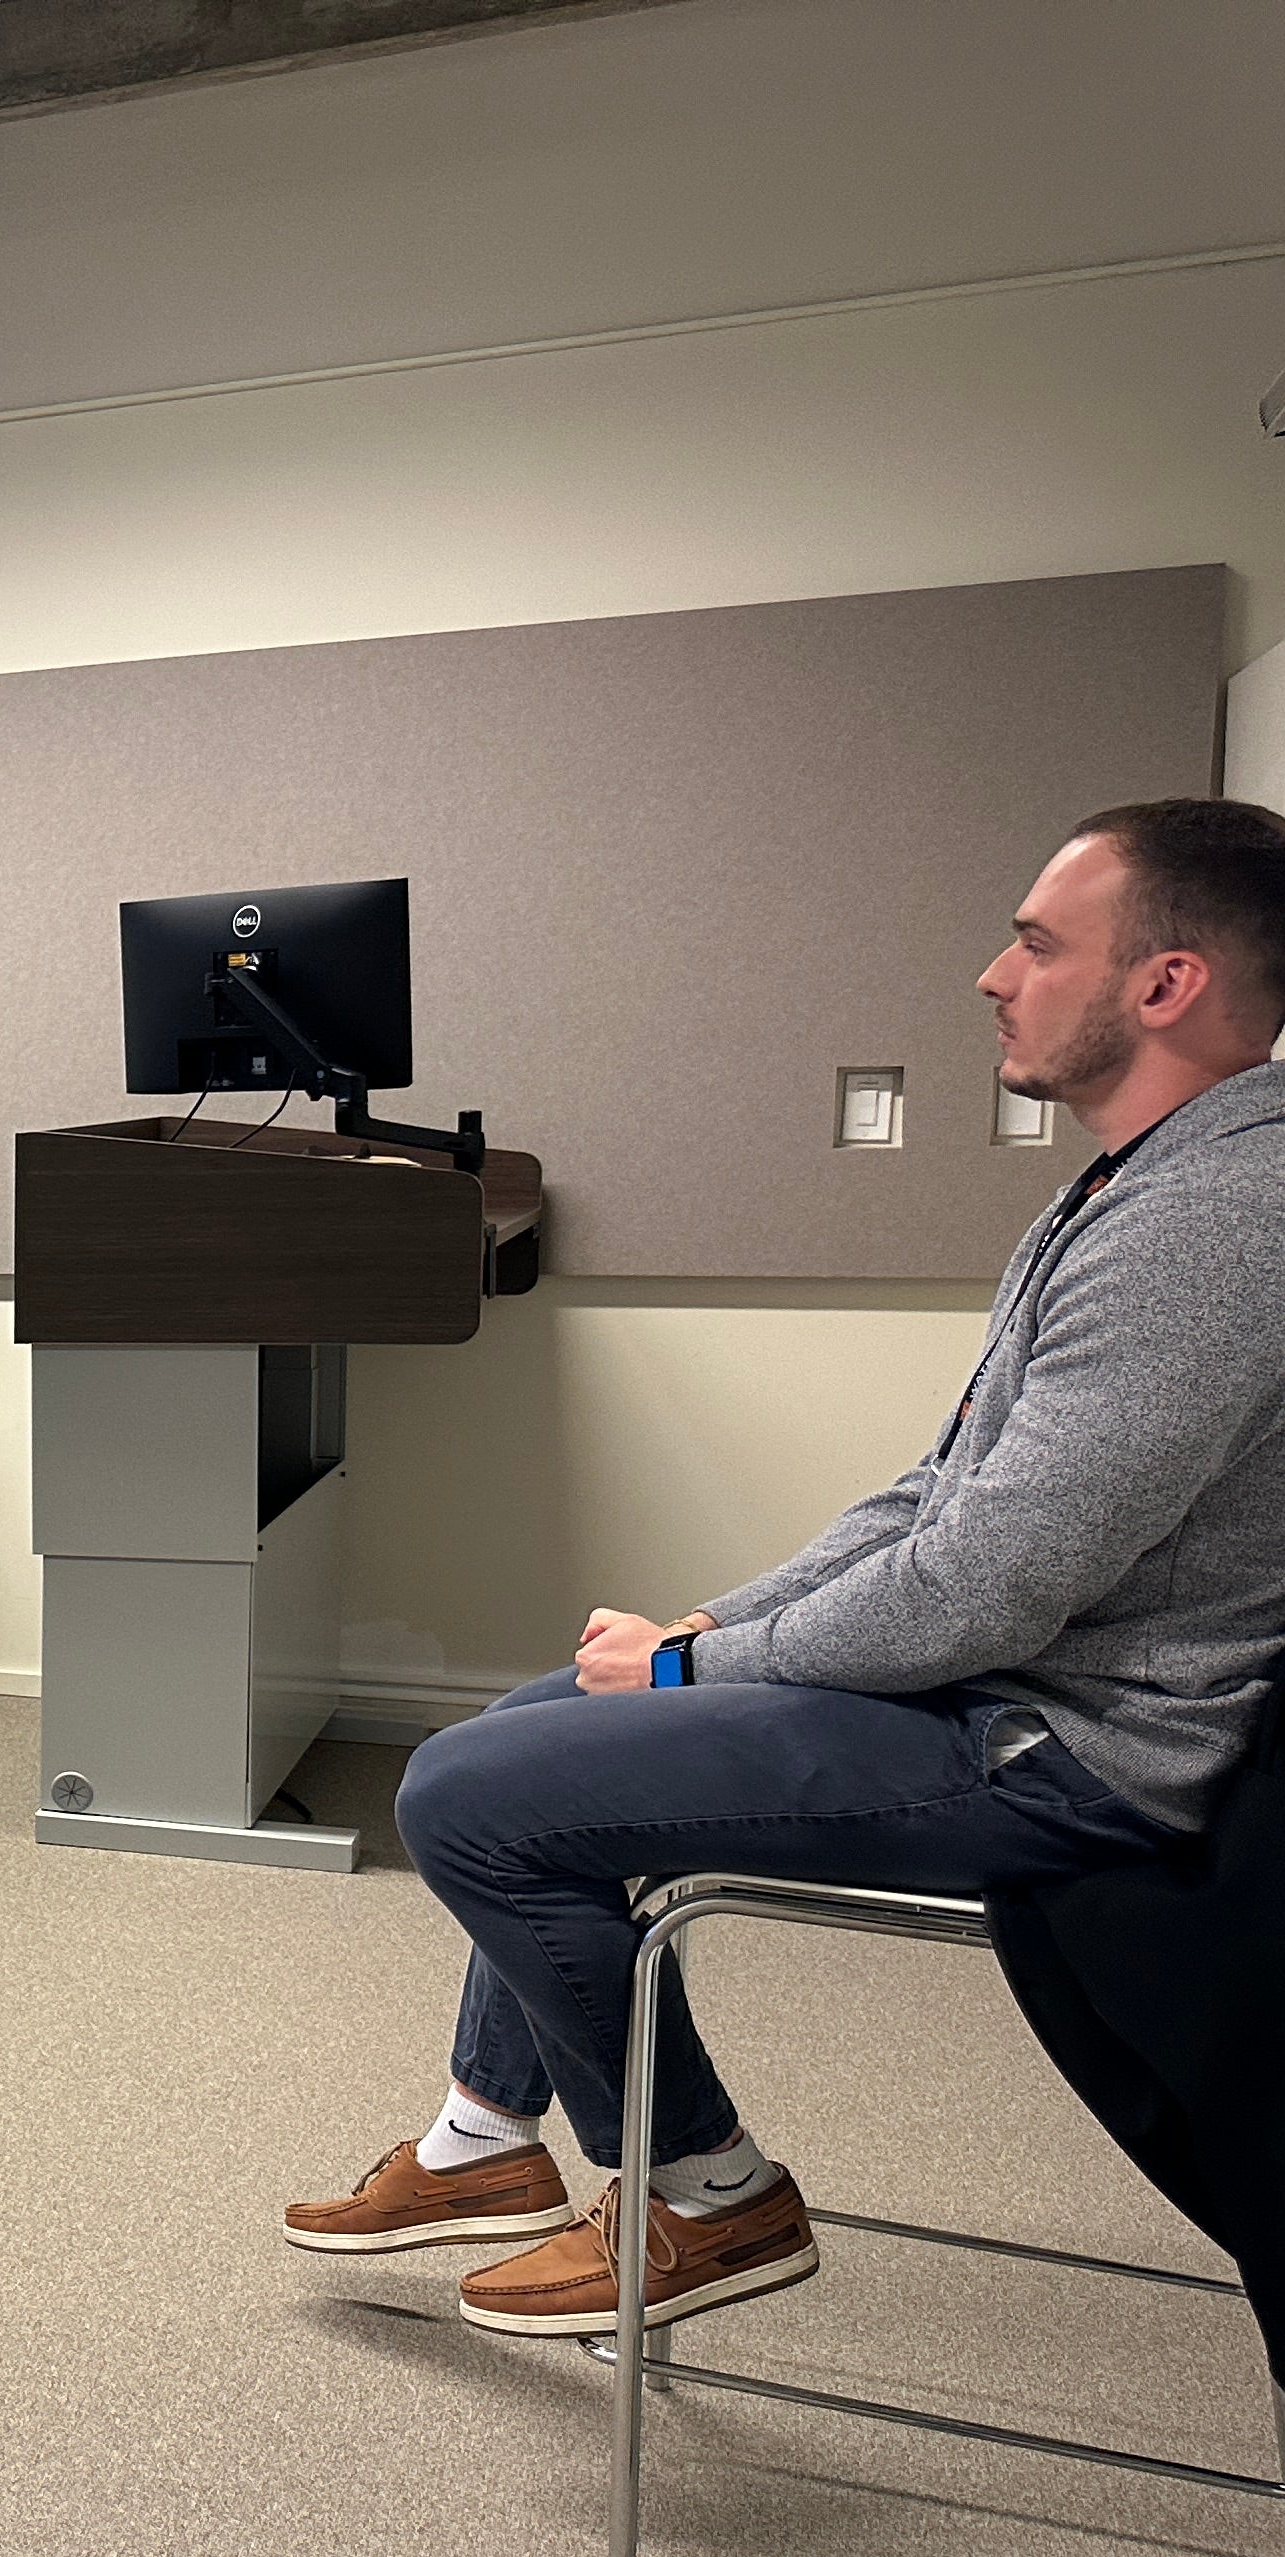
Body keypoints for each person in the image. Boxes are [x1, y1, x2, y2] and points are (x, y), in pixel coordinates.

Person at [285, 800, 1285, 2335]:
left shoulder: (1211, 1221)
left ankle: (708, 2194)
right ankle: (484, 2141)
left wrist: (695, 1668)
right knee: (538, 1724)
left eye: (1035, 942)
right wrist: (720, 1625)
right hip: (1005, 1681)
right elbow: (938, 1496)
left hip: (1065, 1746)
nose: (992, 975)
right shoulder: (1130, 1185)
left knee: (464, 1797)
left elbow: (983, 1589)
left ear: (1166, 984)